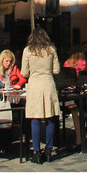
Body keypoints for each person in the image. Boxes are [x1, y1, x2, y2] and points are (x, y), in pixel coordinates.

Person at [21, 28, 60, 164]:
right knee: (50, 117)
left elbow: (24, 72)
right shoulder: (51, 50)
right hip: (48, 84)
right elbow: (56, 70)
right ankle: (49, 150)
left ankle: (36, 152)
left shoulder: (28, 51)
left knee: (35, 118)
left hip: (35, 85)